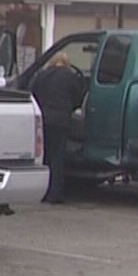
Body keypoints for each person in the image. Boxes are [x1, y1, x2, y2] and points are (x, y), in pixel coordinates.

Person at [28, 52, 88, 204]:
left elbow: (32, 93)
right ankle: (55, 194)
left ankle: (42, 191)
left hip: (44, 118)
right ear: (66, 63)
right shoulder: (70, 76)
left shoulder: (41, 75)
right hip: (61, 120)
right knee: (57, 157)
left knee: (45, 156)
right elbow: (77, 97)